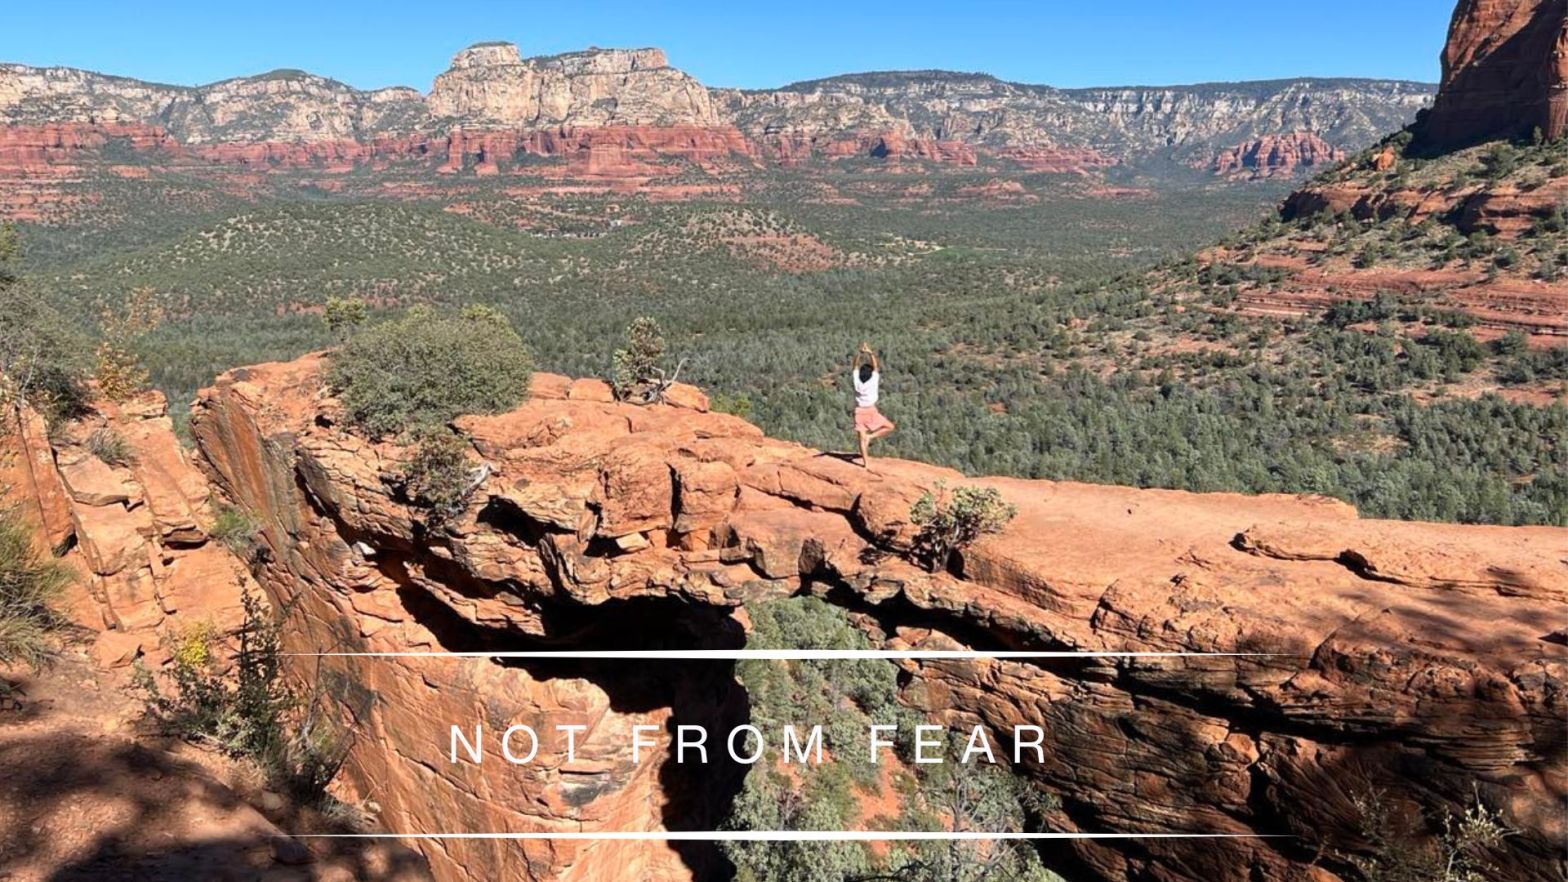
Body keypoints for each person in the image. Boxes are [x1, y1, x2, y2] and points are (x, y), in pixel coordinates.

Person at [850, 341, 895, 467]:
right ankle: (871, 437)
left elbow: (854, 367)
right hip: (871, 411)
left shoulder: (857, 382)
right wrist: (870, 353)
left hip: (859, 412)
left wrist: (859, 353)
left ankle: (866, 463)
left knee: (861, 439)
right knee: (889, 426)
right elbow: (875, 367)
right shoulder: (873, 381)